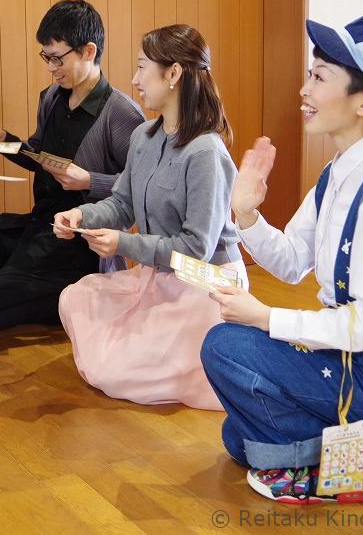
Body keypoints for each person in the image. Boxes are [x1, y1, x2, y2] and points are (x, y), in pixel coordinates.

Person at [201, 15, 363, 503]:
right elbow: (291, 262)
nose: (304, 89)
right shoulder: (337, 174)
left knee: (225, 348)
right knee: (237, 440)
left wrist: (266, 317)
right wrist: (246, 212)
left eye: (320, 77)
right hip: (356, 361)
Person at [54, 24, 241, 411]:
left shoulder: (206, 152)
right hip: (160, 275)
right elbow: (122, 204)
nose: (135, 80)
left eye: (142, 68)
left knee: (113, 371)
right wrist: (81, 216)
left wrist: (123, 244)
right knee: (76, 298)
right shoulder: (143, 137)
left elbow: (196, 249)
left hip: (207, 282)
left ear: (173, 73)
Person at [0, 0, 145, 334]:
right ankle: (36, 280)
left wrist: (89, 181)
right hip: (40, 225)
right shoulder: (52, 97)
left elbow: (140, 188)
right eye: (46, 57)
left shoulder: (121, 113)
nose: (51, 67)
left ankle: (71, 290)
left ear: (88, 51)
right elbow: (38, 156)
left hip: (78, 243)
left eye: (57, 58)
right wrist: (3, 139)